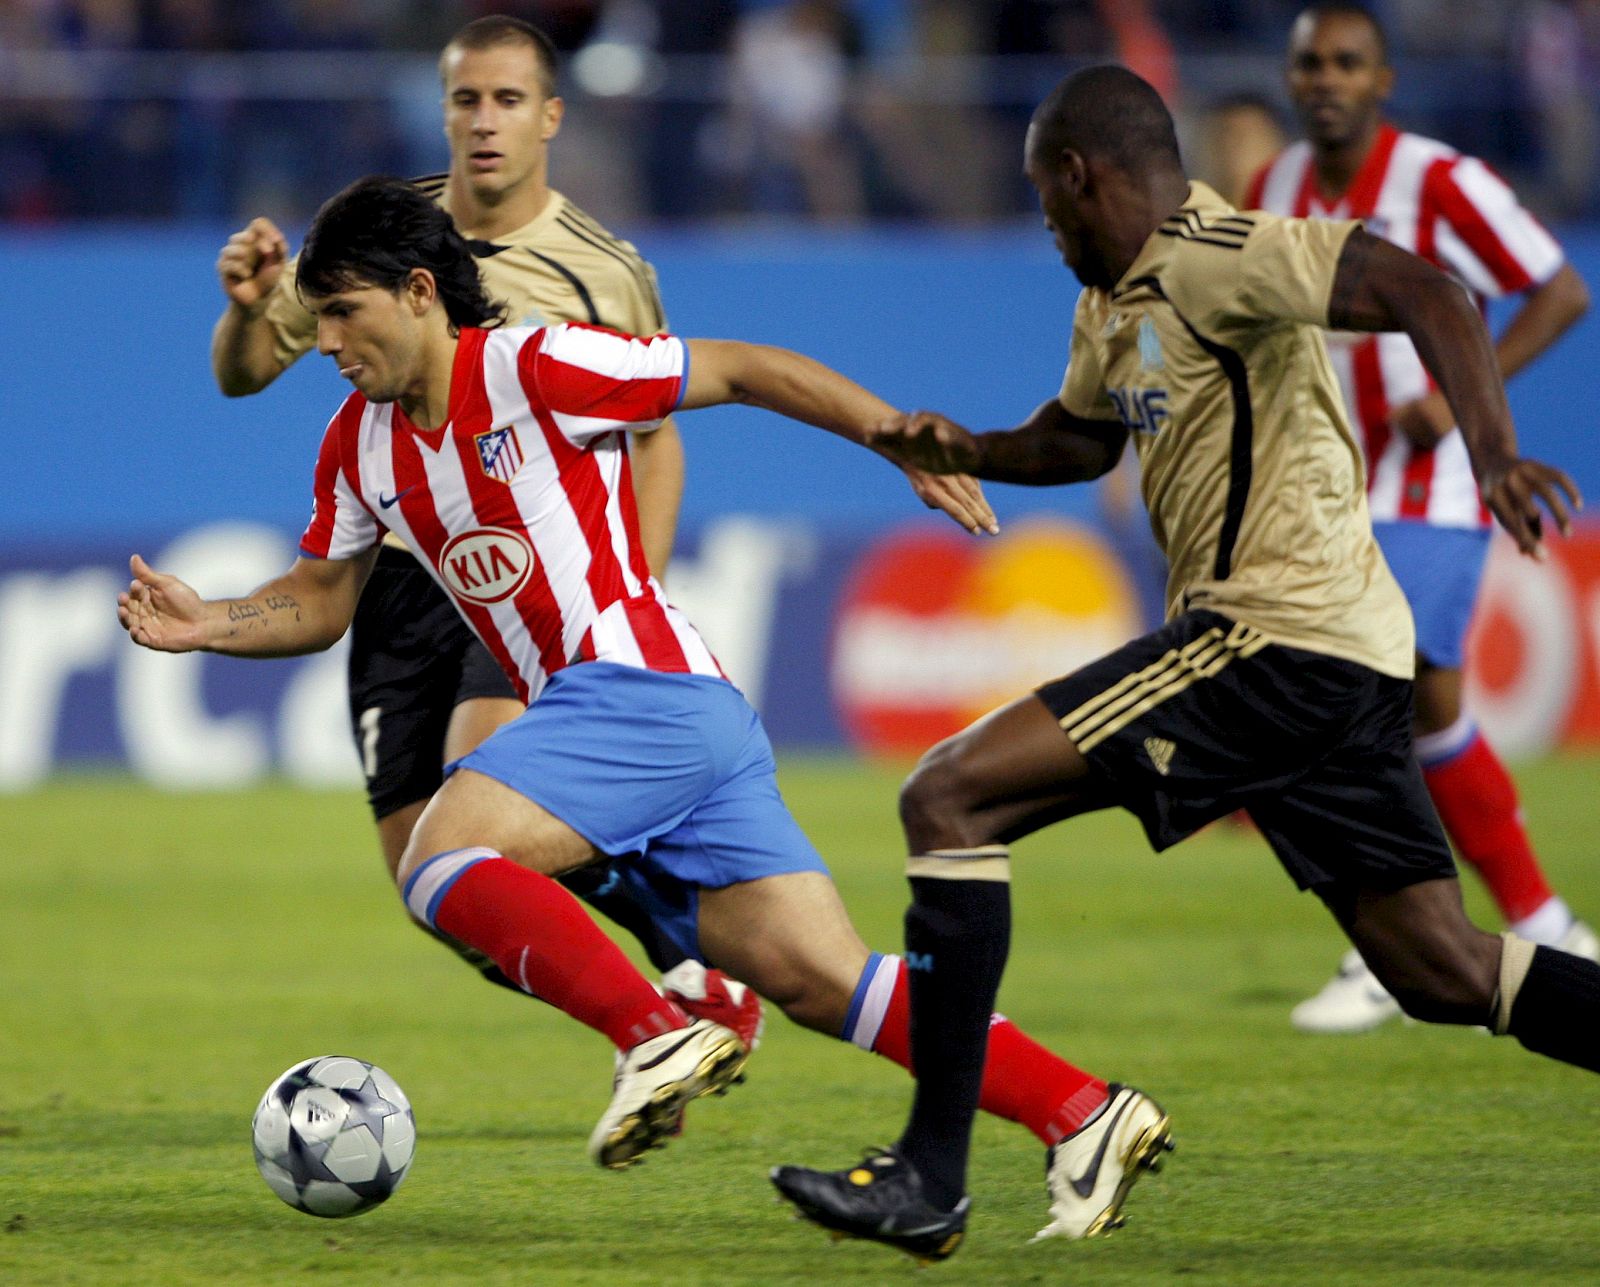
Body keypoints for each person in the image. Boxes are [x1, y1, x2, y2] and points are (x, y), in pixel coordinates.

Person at [125, 175, 1160, 1235]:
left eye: (343, 310)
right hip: (680, 714)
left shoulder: (536, 365)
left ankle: (650, 1032)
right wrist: (206, 621)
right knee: (822, 981)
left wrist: (891, 437)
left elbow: (745, 370)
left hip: (636, 691)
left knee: (440, 861)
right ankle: (1081, 1111)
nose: (328, 339)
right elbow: (318, 598)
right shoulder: (360, 444)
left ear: (422, 291)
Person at [770, 63, 1600, 1262]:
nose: (1046, 237)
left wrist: (1496, 453)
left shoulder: (1225, 250)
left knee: (947, 795)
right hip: (1337, 659)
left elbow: (1432, 291)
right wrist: (968, 446)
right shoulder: (1113, 303)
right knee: (1442, 968)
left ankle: (931, 1174)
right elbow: (1079, 437)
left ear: (1079, 174)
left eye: (1046, 210)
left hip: (1270, 636)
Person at [1246, 2, 1596, 1035]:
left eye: (1347, 62)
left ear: (1383, 79)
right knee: (1429, 707)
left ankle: (1381, 945)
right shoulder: (1272, 188)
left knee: (1350, 691)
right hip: (1317, 498)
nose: (1325, 79)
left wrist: (1455, 397)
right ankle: (1539, 917)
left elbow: (1560, 289)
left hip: (1433, 490)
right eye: (1309, 62)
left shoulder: (1441, 182)